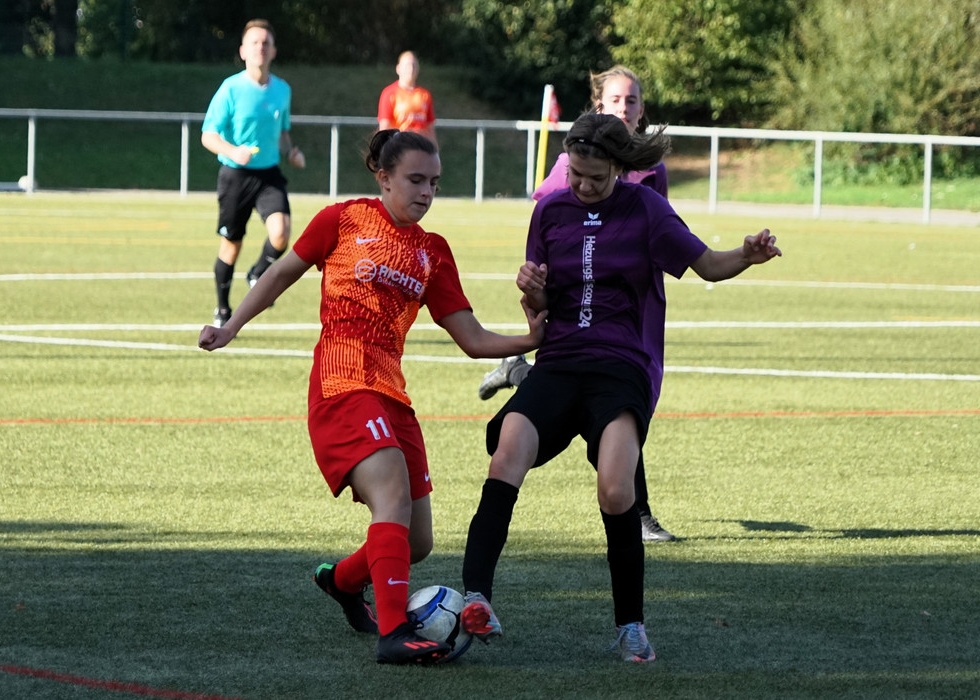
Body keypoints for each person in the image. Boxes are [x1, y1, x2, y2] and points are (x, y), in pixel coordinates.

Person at [198, 129, 545, 665]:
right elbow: (280, 274)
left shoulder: (433, 251)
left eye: (434, 183)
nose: (426, 192)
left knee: (417, 541)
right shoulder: (343, 219)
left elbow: (472, 338)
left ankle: (340, 581)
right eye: (415, 180)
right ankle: (394, 634)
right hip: (341, 382)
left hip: (392, 395)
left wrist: (530, 338)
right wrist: (230, 326)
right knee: (392, 498)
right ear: (383, 178)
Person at [459, 112, 781, 662]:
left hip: (621, 366)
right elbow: (542, 304)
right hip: (560, 360)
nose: (583, 186)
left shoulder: (646, 208)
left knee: (615, 488)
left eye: (596, 177)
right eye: (575, 175)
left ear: (619, 168)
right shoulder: (550, 210)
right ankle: (476, 599)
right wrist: (532, 290)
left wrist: (746, 256)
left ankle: (631, 627)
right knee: (507, 453)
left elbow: (706, 265)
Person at [478, 66, 675, 543]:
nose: (624, 108)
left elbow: (664, 232)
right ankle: (639, 513)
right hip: (576, 307)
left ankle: (518, 372)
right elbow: (552, 209)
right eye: (615, 100)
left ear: (642, 109)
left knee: (622, 403)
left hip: (630, 303)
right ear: (598, 106)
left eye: (632, 101)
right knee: (614, 404)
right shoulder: (574, 163)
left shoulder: (652, 174)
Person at [201, 18, 306, 328]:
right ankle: (223, 310)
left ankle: (258, 273)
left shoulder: (282, 90)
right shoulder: (230, 89)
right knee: (231, 245)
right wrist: (233, 151)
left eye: (266, 43)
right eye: (254, 43)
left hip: (268, 174)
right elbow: (208, 135)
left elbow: (282, 133)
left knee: (281, 233)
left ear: (273, 51)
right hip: (235, 176)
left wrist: (291, 152)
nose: (260, 47)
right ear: (243, 51)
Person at [377, 51, 437, 145]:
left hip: (420, 146)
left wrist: (435, 150)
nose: (411, 69)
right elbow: (384, 127)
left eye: (414, 65)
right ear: (398, 68)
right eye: (407, 65)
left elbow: (430, 129)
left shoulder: (424, 94)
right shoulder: (389, 93)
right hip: (399, 146)